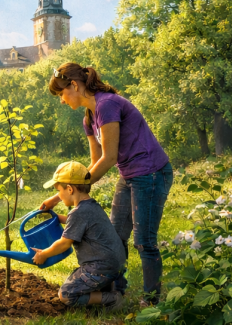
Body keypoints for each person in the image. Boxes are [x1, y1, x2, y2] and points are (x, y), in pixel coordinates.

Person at [44, 63, 173, 306]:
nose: (61, 101)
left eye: (61, 94)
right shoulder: (89, 117)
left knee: (144, 241)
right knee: (114, 236)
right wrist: (59, 195)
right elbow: (94, 164)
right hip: (129, 175)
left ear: (74, 85)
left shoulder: (107, 105)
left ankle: (151, 302)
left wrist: (67, 194)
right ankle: (115, 293)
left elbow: (109, 158)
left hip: (151, 172)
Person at [32, 161, 126, 312]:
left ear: (69, 189)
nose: (59, 196)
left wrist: (43, 254)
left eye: (58, 191)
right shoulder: (91, 206)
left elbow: (64, 244)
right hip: (113, 263)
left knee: (66, 294)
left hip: (100, 268)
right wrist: (54, 217)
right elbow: (75, 223)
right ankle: (106, 287)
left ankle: (111, 298)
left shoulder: (79, 213)